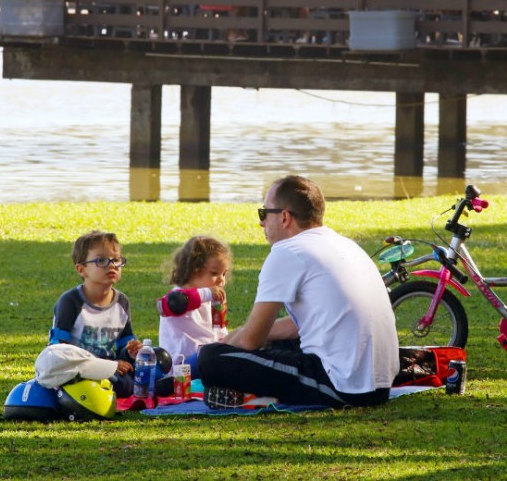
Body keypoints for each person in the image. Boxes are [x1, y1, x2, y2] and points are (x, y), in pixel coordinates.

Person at [197, 175, 399, 408]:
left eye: (264, 214)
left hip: (344, 387)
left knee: (211, 359)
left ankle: (251, 396)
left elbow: (251, 340)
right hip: (378, 383)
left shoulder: (287, 251)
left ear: (284, 217)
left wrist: (226, 345)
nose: (261, 223)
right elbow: (302, 325)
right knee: (265, 346)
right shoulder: (345, 244)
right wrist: (243, 337)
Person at [49, 230, 145, 398]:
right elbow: (59, 348)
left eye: (116, 259)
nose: (111, 265)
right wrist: (106, 366)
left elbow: (124, 344)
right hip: (77, 369)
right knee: (123, 384)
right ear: (81, 269)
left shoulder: (121, 302)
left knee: (146, 371)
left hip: (111, 368)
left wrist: (132, 352)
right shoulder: (71, 302)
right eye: (101, 260)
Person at [156, 236, 232, 379]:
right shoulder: (177, 297)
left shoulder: (211, 298)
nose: (221, 280)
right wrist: (207, 293)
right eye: (214, 273)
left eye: (224, 274)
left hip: (208, 358)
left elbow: (220, 330)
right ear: (193, 270)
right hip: (181, 366)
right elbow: (168, 305)